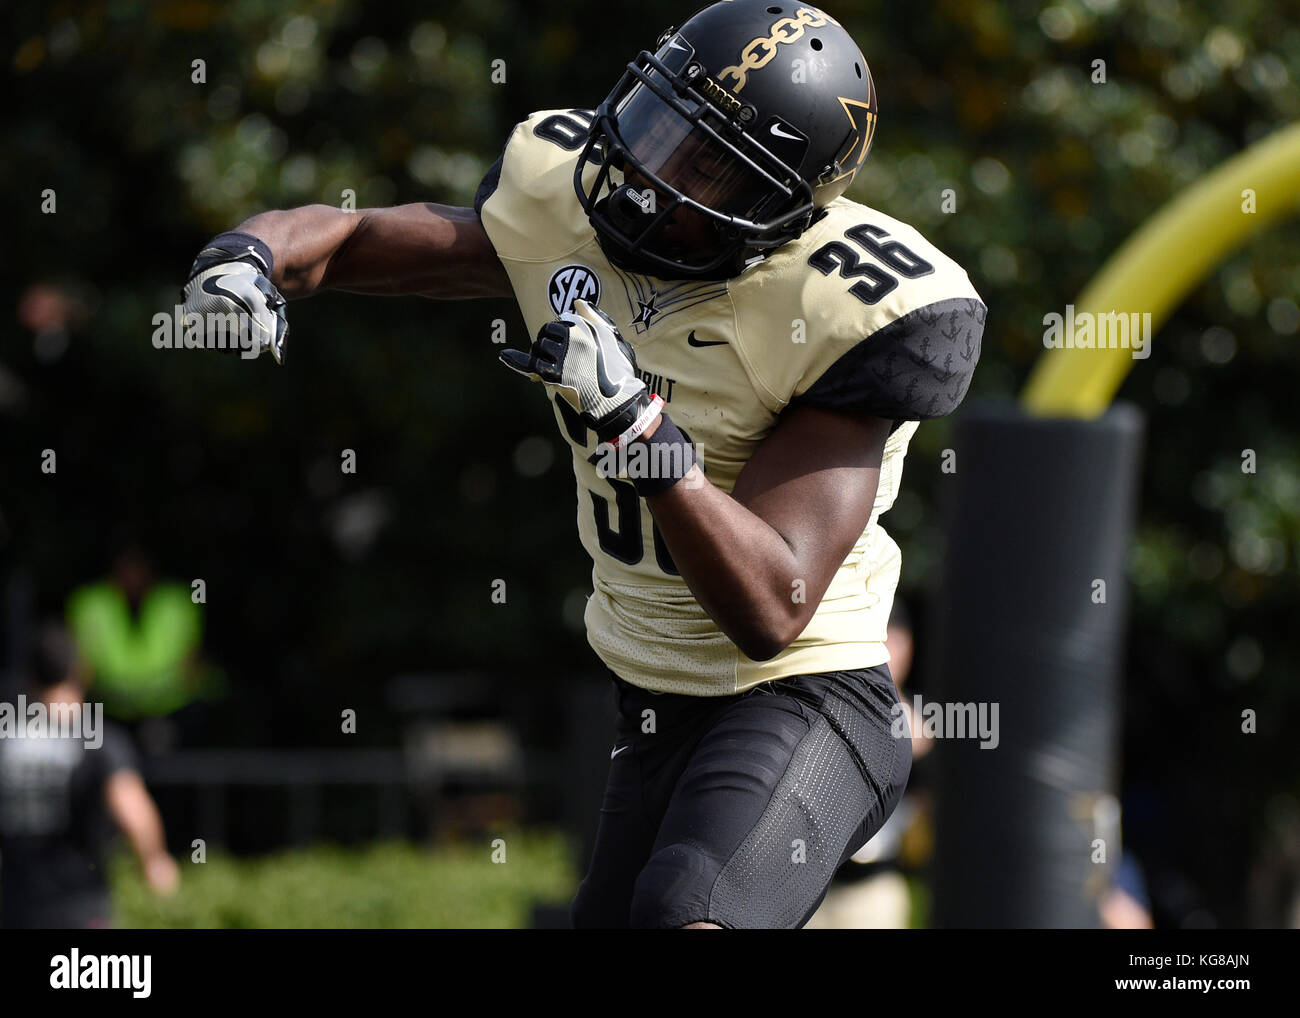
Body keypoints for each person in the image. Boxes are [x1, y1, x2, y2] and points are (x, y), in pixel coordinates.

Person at [181, 0, 985, 928]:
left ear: (777, 203)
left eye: (706, 163)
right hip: (651, 702)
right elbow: (359, 240)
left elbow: (774, 603)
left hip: (805, 695)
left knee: (688, 915)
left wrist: (638, 426)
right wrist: (251, 254)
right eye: (658, 125)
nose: (652, 174)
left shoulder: (840, 308)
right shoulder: (563, 209)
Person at [0, 625, 179, 928]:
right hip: (81, 908)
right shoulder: (98, 739)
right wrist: (155, 862)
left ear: (30, 680)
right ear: (80, 672)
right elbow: (131, 809)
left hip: (15, 909)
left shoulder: (6, 742)